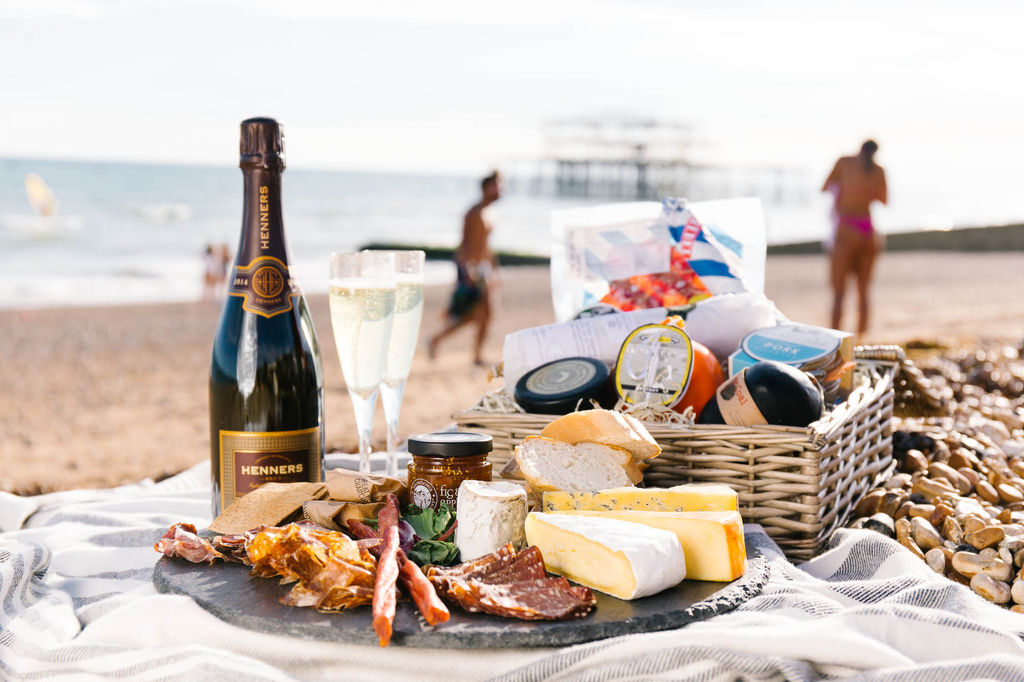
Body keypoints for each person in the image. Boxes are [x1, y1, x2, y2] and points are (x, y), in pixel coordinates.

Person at [428, 171, 502, 366]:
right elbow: (465, 245)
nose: (500, 189)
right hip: (470, 269)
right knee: (471, 315)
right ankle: (440, 341)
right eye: (497, 185)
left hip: (482, 269)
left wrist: (493, 271)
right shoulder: (474, 213)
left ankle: (471, 353)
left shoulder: (489, 213)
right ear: (486, 187)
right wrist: (468, 269)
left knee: (480, 316)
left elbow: (485, 246)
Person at [822, 140, 887, 335]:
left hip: (846, 228)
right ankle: (861, 336)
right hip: (868, 229)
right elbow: (884, 200)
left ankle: (835, 335)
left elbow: (825, 187)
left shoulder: (844, 162)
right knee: (864, 291)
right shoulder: (878, 170)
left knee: (839, 292)